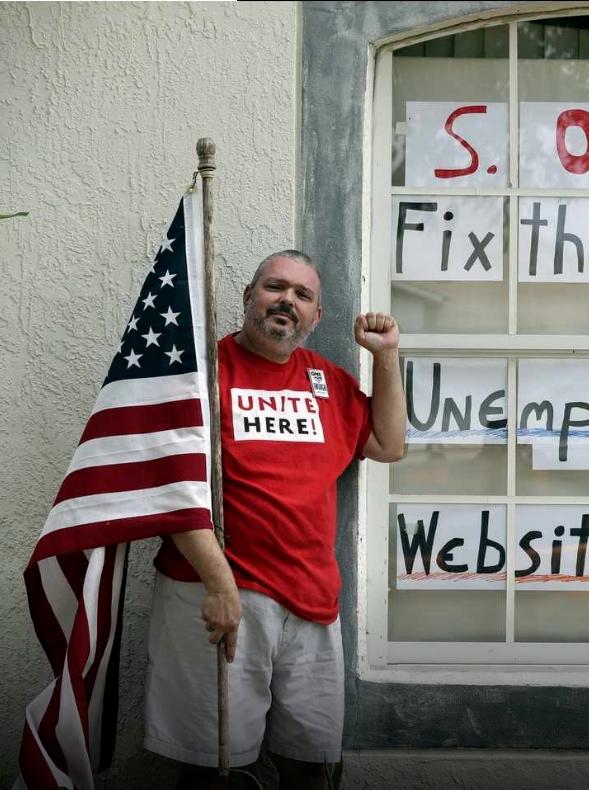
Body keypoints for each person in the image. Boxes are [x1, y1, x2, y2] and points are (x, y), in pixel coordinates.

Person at [143, 250, 405, 789]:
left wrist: (385, 357)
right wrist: (220, 586)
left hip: (313, 602)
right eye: (275, 287)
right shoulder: (200, 375)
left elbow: (389, 443)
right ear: (248, 296)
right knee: (215, 771)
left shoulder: (328, 382)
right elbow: (173, 486)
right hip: (220, 596)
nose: (287, 300)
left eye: (302, 295)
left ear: (316, 316)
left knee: (311, 767)